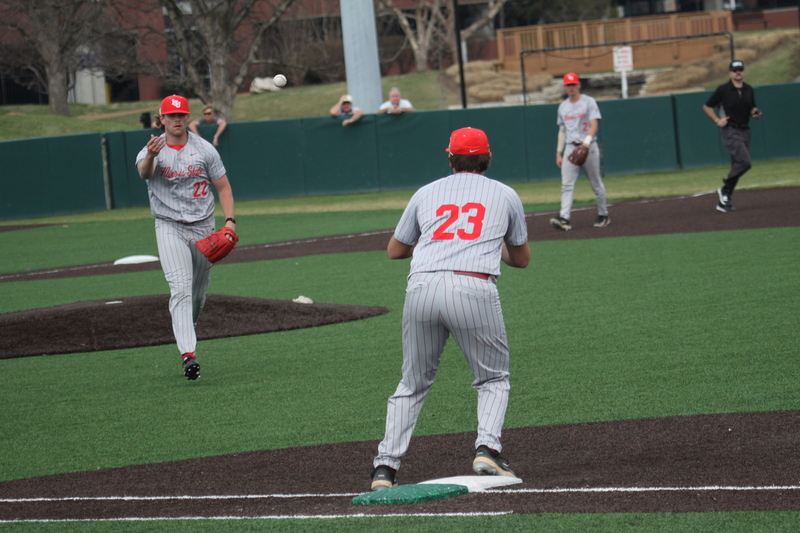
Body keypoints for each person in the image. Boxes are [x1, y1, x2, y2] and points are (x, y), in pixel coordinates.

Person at [370, 127, 530, 491]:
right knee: (492, 378)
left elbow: (395, 250)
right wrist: (488, 243)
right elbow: (521, 259)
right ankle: (488, 448)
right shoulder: (505, 194)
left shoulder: (426, 192)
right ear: (487, 158)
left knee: (412, 383)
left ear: (449, 158)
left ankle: (385, 468)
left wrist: (441, 240)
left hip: (422, 287)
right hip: (473, 287)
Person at [136, 95, 236, 381]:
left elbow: (224, 188)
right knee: (180, 287)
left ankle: (186, 329)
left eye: (181, 115)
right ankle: (188, 355)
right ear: (162, 118)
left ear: (186, 117)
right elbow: (144, 173)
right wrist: (153, 155)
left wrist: (229, 221)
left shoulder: (204, 150)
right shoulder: (151, 149)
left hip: (204, 227)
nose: (177, 120)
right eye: (171, 116)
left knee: (198, 295)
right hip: (169, 226)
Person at [551, 72, 609, 231]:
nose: (571, 87)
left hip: (588, 147)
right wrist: (558, 152)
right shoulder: (563, 107)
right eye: (568, 85)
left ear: (578, 85)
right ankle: (564, 218)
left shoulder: (589, 102)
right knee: (566, 185)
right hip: (570, 147)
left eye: (573, 84)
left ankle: (603, 214)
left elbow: (594, 125)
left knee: (596, 183)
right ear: (565, 86)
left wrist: (586, 143)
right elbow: (562, 131)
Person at [702, 59, 762, 212]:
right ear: (730, 73)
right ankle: (724, 190)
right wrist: (717, 120)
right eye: (735, 70)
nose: (738, 72)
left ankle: (724, 200)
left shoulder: (748, 89)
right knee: (745, 162)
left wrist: (754, 112)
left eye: (740, 69)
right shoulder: (723, 90)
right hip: (730, 130)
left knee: (737, 164)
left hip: (745, 130)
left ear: (744, 71)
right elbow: (707, 106)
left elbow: (751, 107)